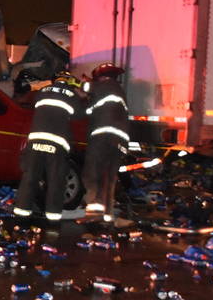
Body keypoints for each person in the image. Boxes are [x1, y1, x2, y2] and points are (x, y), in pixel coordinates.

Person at [13, 71, 81, 224]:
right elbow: (78, 115)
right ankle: (52, 217)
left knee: (30, 177)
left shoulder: (42, 91)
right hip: (56, 144)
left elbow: (32, 104)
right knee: (56, 179)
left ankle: (21, 213)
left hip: (36, 141)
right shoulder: (71, 94)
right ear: (69, 82)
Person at [81, 62, 130, 222]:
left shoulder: (103, 86)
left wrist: (81, 82)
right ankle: (108, 215)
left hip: (102, 136)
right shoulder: (118, 90)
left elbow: (86, 91)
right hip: (119, 140)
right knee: (109, 176)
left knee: (92, 172)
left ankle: (94, 212)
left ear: (101, 76)